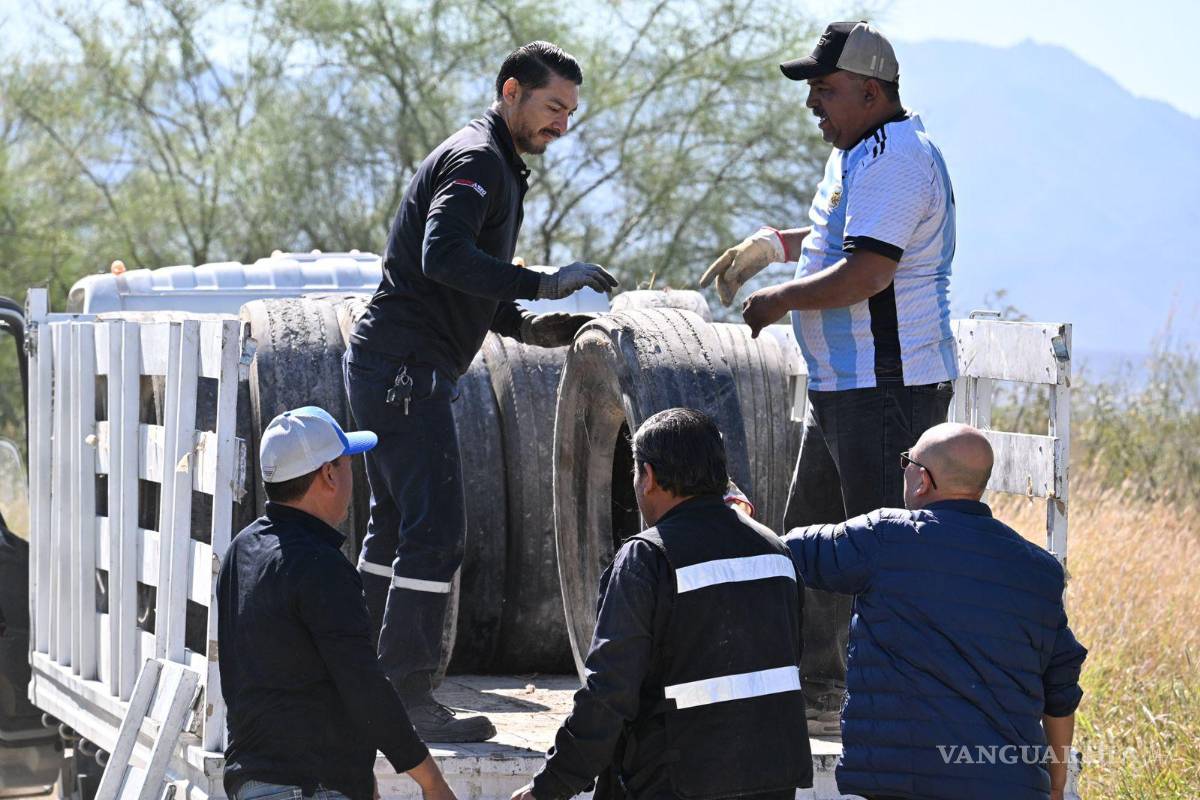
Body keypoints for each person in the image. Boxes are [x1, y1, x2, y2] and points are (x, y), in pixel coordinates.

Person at [345, 41, 618, 741]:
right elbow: (443, 256)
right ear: (510, 92)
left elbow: (467, 279)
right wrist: (542, 280)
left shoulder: (496, 164)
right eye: (554, 106)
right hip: (404, 369)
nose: (563, 123)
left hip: (393, 365)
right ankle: (404, 700)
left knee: (394, 527)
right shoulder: (477, 161)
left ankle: (359, 686)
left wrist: (531, 327)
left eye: (570, 112)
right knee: (435, 536)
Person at [698, 19, 958, 734]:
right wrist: (777, 246)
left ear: (871, 92)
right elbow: (844, 238)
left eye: (825, 88)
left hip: (888, 389)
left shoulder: (898, 158)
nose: (813, 101)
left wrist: (780, 297)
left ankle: (886, 705)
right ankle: (818, 694)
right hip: (846, 386)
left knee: (879, 550)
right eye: (811, 88)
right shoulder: (860, 150)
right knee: (809, 539)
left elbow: (871, 270)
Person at [512, 408, 812, 800]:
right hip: (773, 779)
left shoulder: (647, 557)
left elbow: (609, 693)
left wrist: (550, 786)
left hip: (675, 784)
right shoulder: (776, 552)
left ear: (649, 477)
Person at [784, 423, 1087, 800]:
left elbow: (786, 552)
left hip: (900, 785)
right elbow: (1060, 692)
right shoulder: (1039, 570)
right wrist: (1056, 786)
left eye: (907, 463)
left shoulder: (884, 537)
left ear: (923, 481)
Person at [217, 407, 456, 800]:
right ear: (328, 474)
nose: (352, 475)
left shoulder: (241, 550)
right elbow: (363, 686)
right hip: (308, 789)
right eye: (347, 463)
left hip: (254, 783)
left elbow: (281, 676)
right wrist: (432, 781)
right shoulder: (321, 567)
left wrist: (360, 776)